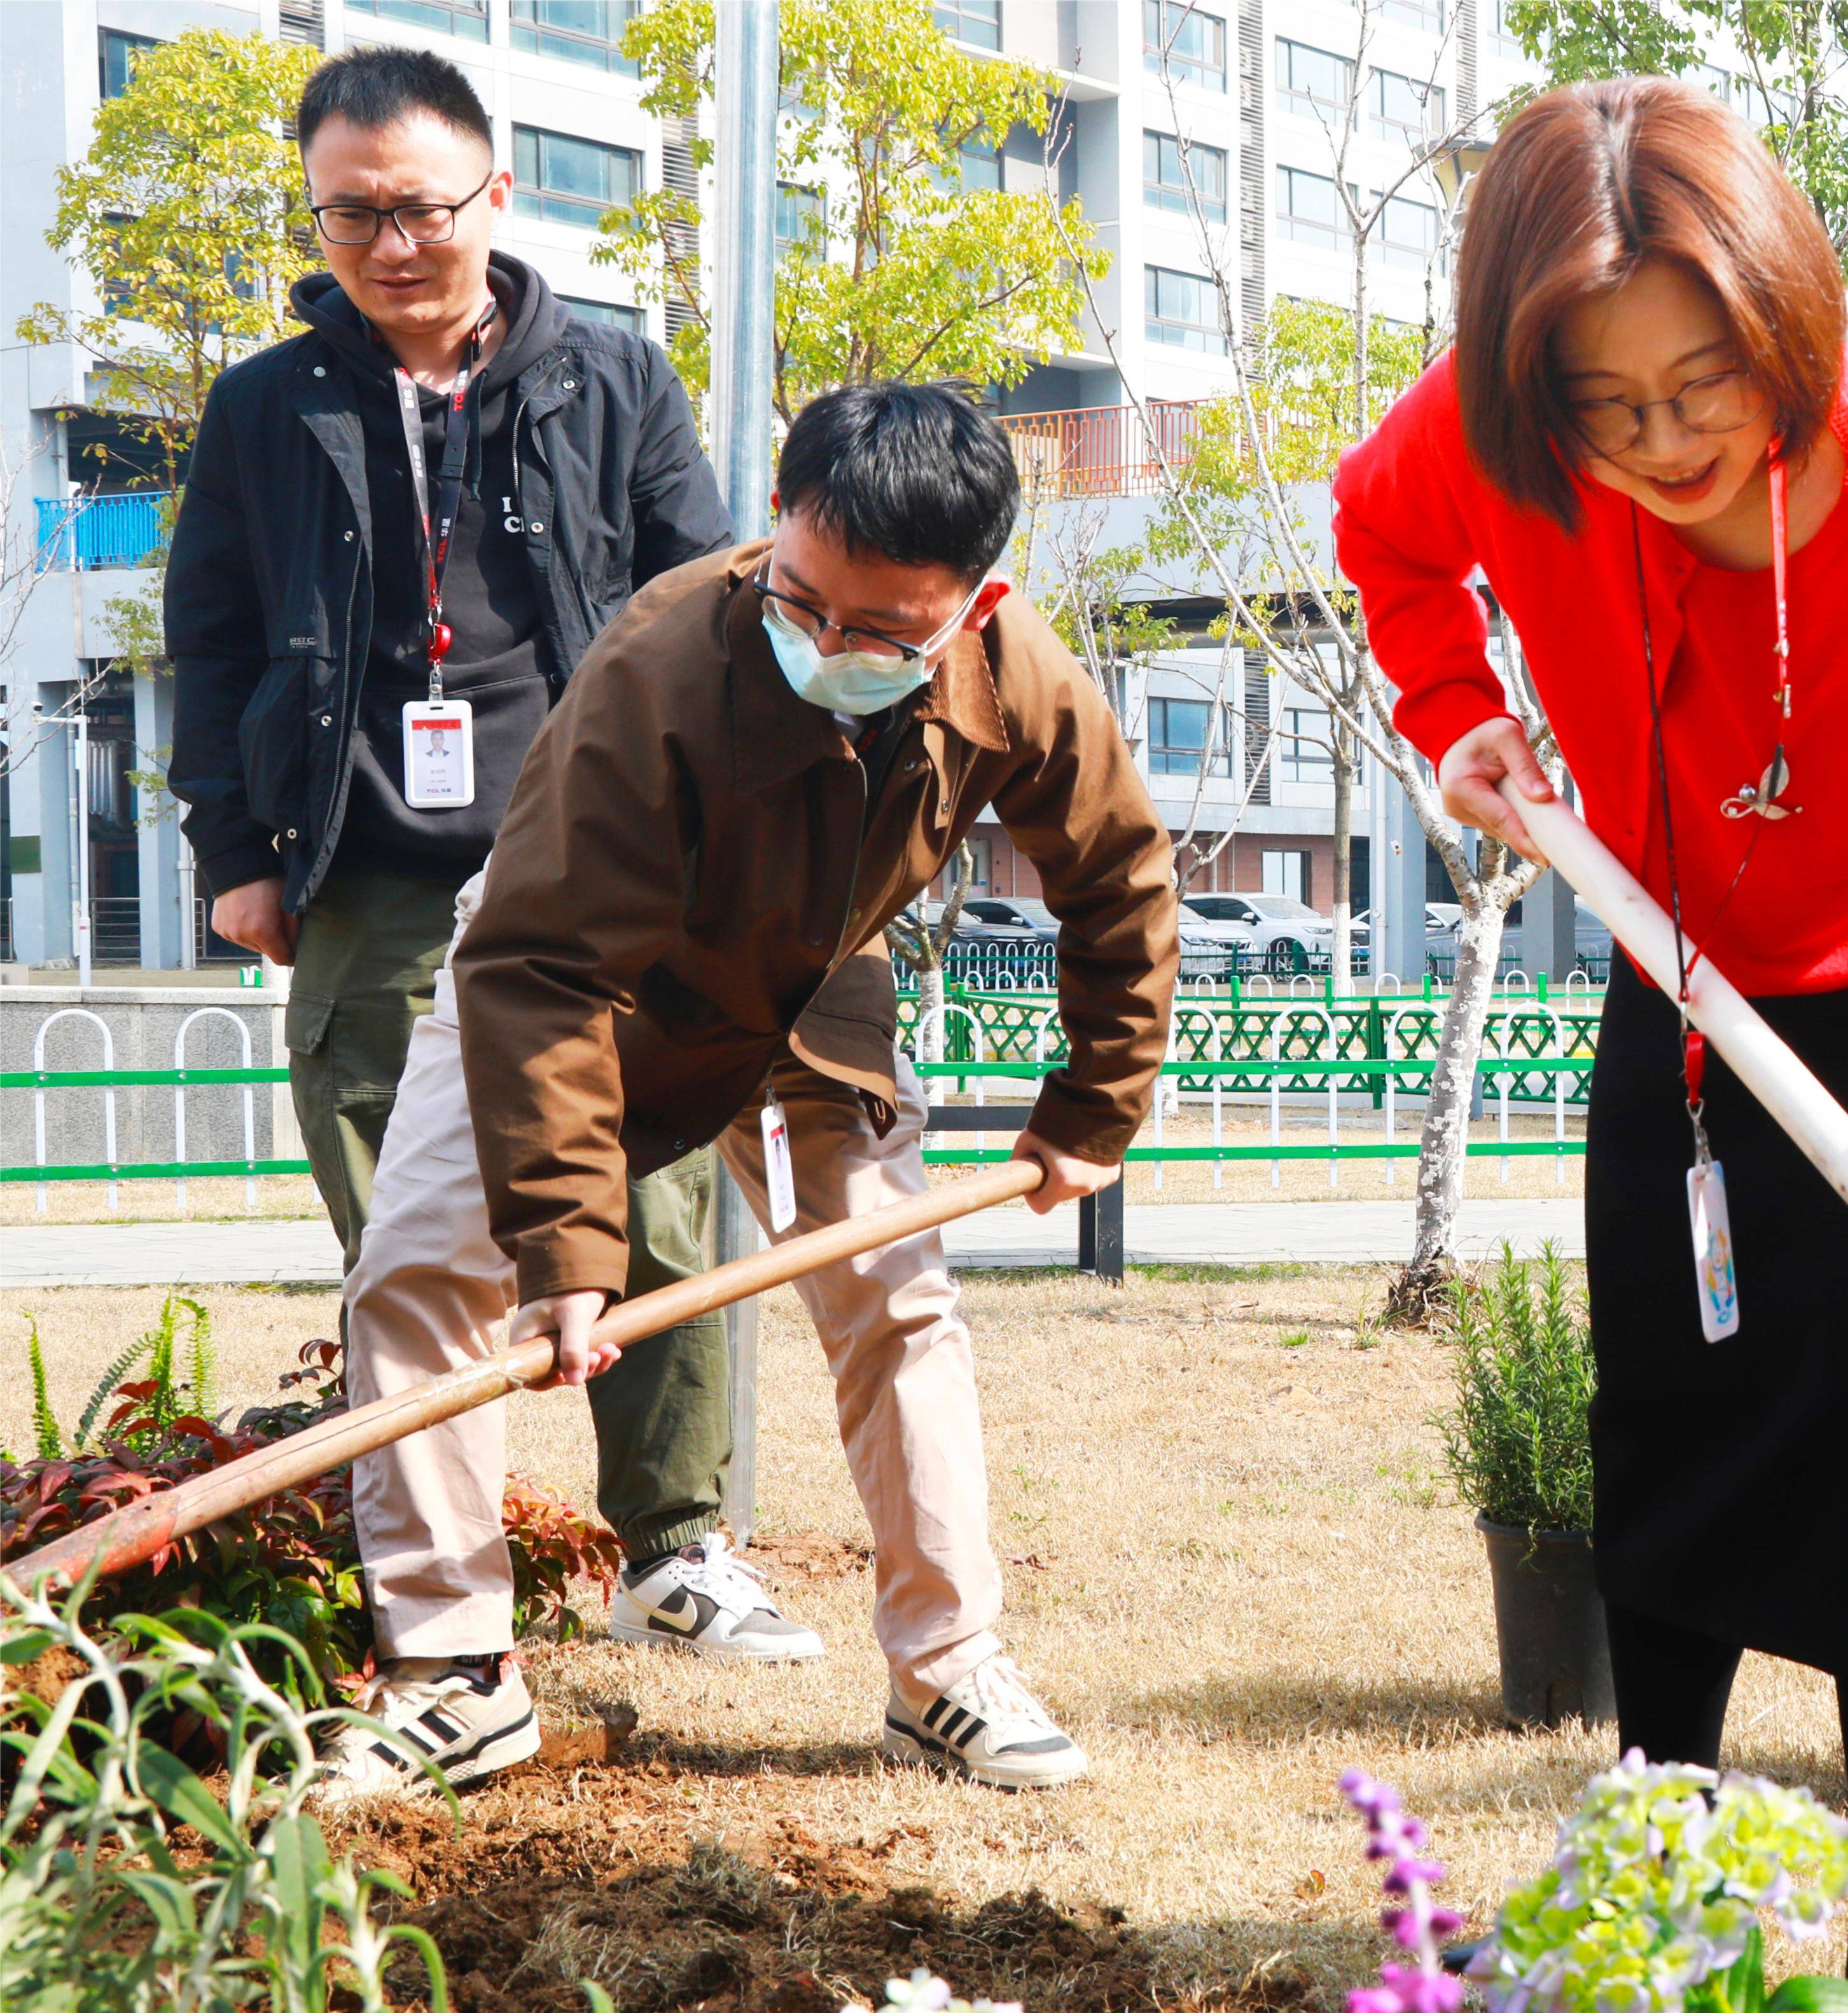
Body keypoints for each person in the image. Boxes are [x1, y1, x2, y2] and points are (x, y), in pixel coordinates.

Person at [1333, 80, 1848, 2013]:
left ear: (1783, 318)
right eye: (1608, 408)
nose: (1668, 441)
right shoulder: (1501, 435)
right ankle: (1659, 1892)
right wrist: (1460, 720)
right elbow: (1382, 527)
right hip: (1672, 982)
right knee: (1668, 1428)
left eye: (1705, 381)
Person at [319, 382, 1178, 1800]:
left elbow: (1117, 875)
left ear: (976, 602)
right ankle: (454, 1674)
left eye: (881, 631)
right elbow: (540, 968)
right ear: (779, 527)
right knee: (419, 1269)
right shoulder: (663, 659)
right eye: (802, 601)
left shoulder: (1015, 676)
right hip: (566, 966)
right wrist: (568, 1250)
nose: (827, 646)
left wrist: (1092, 1110)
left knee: (895, 1294)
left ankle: (947, 1670)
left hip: (800, 988)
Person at [162, 47, 765, 1654]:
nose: (389, 243)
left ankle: (673, 1551)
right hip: (361, 856)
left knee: (655, 1191)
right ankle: (445, 1566)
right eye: (350, 212)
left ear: (495, 194)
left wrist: (710, 832)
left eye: (420, 207)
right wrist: (236, 846)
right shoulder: (264, 405)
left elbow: (700, 598)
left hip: (594, 856)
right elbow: (208, 641)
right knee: (392, 1217)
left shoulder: (614, 377)